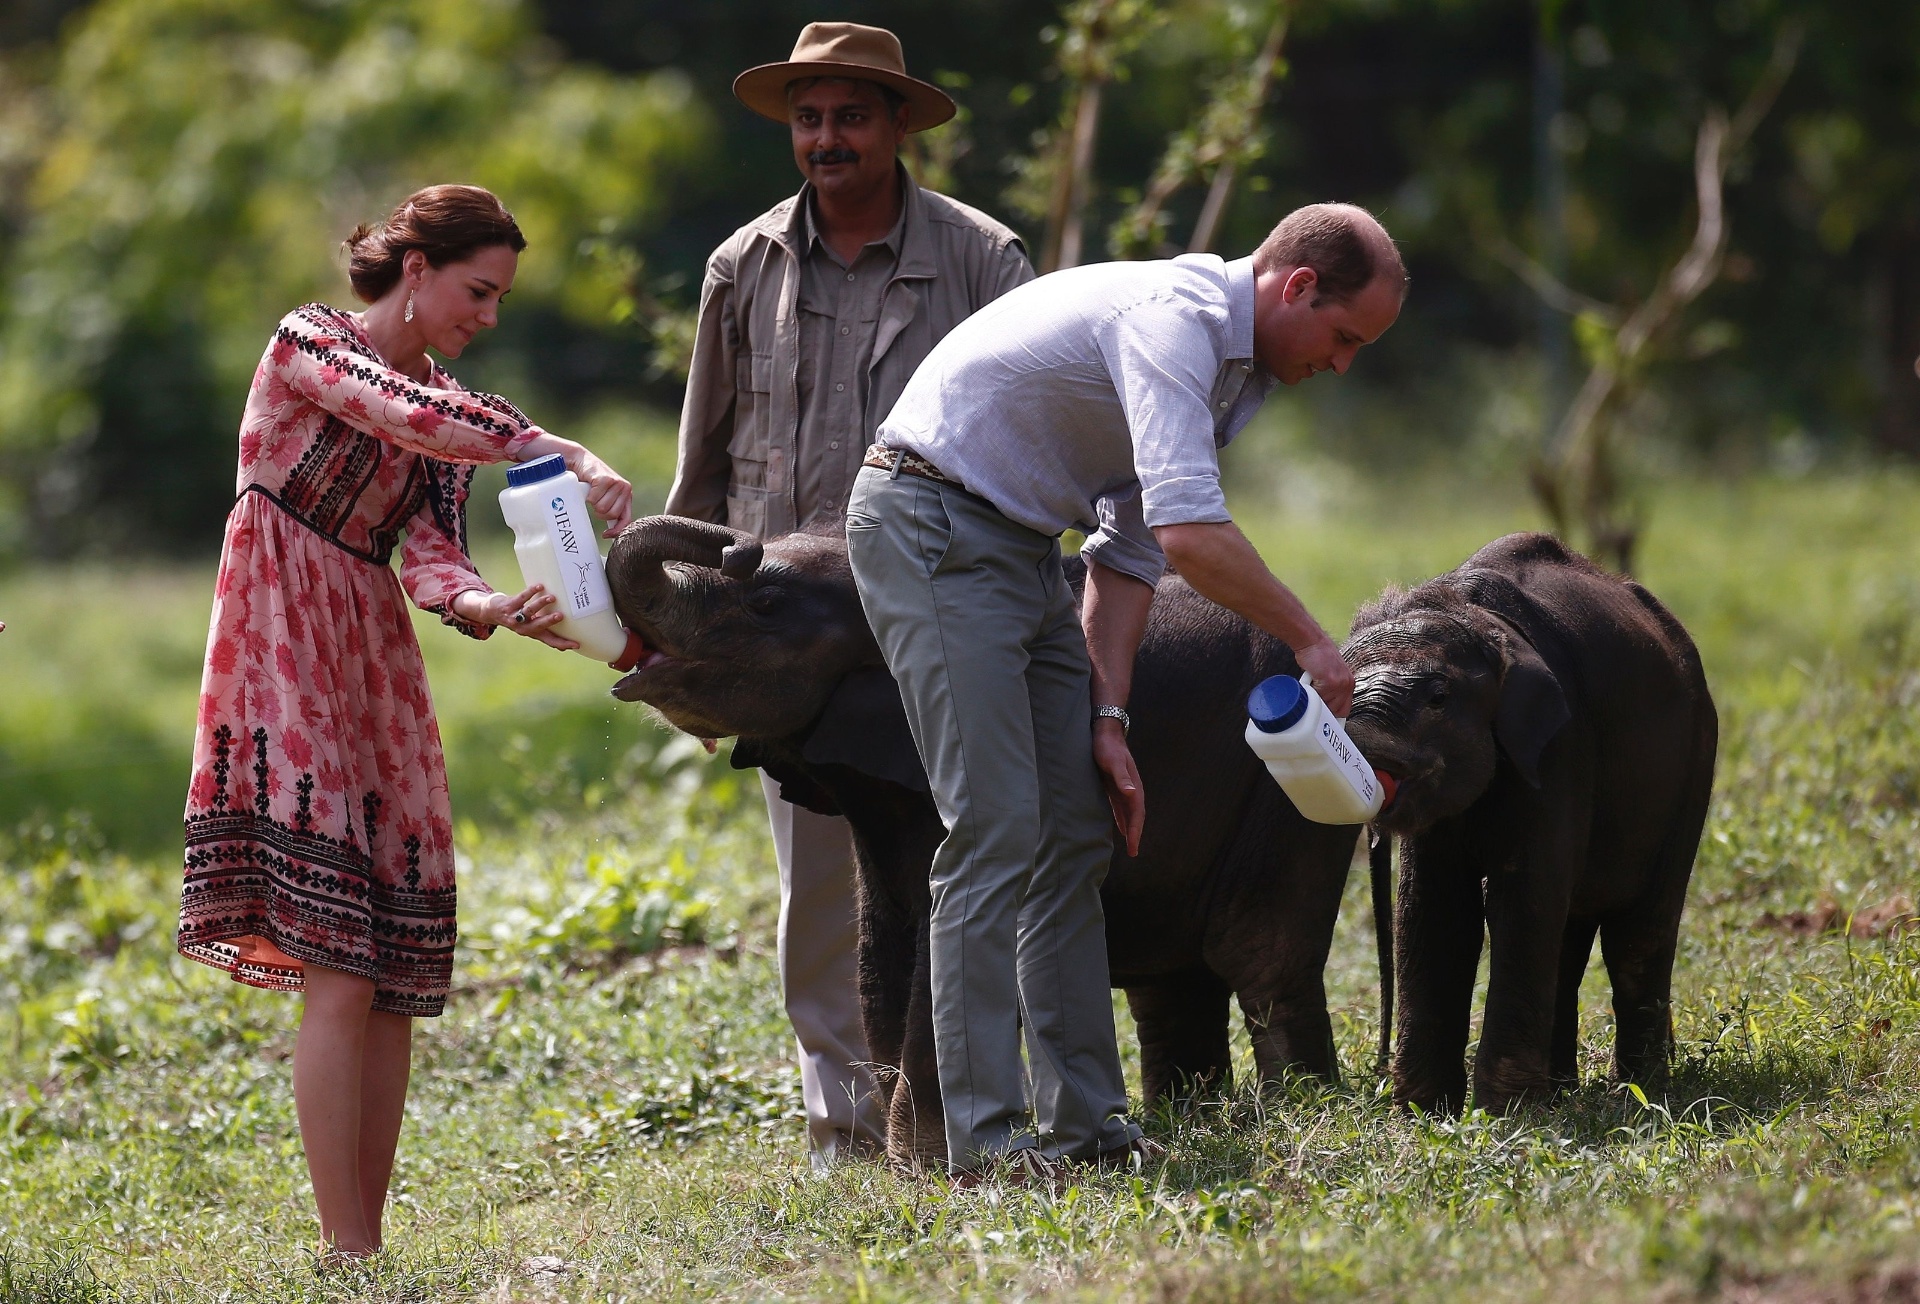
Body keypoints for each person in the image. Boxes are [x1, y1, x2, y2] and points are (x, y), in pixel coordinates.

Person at [846, 203, 1407, 1177]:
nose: (1343, 363)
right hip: (927, 518)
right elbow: (1193, 532)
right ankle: (979, 1144)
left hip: (1022, 546)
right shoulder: (1175, 321)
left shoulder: (1237, 376)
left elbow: (1136, 547)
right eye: (1345, 336)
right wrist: (1309, 639)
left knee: (1073, 827)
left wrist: (1107, 716)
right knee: (993, 827)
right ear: (1299, 287)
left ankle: (1090, 1128)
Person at [176, 185, 634, 1261]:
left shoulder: (453, 406)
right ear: (416, 268)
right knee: (336, 953)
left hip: (368, 645)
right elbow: (400, 411)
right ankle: (347, 1250)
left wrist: (492, 607)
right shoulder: (310, 343)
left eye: (499, 297)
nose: (487, 315)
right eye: (478, 291)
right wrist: (554, 445)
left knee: (386, 959)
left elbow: (430, 556)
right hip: (279, 627)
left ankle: (363, 1241)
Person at [665, 22, 1034, 1167]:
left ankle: (970, 1099)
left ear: (898, 125)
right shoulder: (743, 268)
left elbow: (1037, 444)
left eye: (850, 116)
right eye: (807, 117)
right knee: (819, 877)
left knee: (977, 848)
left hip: (948, 601)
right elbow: (702, 473)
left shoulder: (984, 262)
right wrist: (690, 621)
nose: (826, 138)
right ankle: (846, 1119)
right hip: (791, 630)